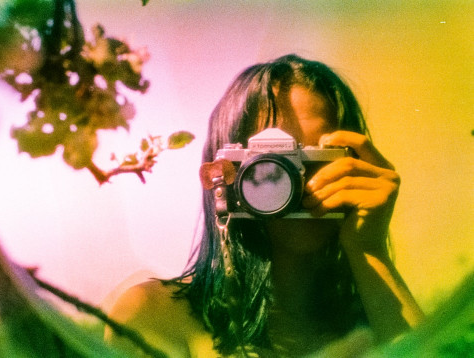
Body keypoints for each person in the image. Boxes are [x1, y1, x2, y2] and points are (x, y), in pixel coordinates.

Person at [104, 54, 424, 357]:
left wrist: (369, 250)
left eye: (311, 161)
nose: (294, 183)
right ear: (225, 176)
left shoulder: (377, 322)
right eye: (272, 166)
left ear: (351, 163)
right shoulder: (154, 314)